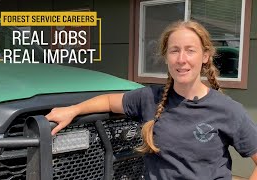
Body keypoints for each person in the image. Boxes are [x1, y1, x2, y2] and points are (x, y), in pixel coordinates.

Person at [45, 20, 257, 180]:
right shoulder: (149, 98)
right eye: (174, 51)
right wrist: (73, 110)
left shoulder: (228, 110)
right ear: (166, 57)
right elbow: (109, 101)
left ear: (205, 56)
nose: (181, 59)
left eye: (190, 50)